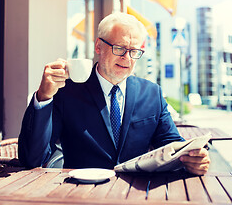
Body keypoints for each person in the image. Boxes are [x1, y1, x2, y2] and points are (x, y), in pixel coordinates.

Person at [18, 12, 210, 175]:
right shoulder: (67, 92)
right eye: (119, 48)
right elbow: (32, 158)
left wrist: (192, 160)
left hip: (136, 195)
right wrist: (44, 97)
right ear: (98, 47)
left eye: (134, 51)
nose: (127, 58)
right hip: (80, 195)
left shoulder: (152, 94)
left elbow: (172, 146)